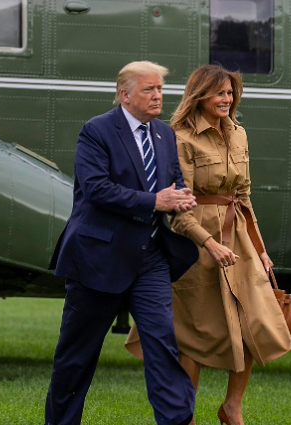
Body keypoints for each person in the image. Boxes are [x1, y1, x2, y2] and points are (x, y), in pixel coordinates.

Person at [125, 64, 291, 425]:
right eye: (219, 93)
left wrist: (260, 247)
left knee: (256, 325)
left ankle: (232, 407)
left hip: (241, 240)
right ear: (200, 96)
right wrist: (207, 243)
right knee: (195, 335)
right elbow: (177, 206)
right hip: (196, 241)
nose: (226, 99)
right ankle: (183, 415)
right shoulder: (179, 138)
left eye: (230, 93)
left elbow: (244, 196)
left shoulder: (240, 134)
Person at [46, 61, 198, 425]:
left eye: (160, 89)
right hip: (98, 257)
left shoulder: (165, 134)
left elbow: (172, 180)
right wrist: (155, 201)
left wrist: (179, 196)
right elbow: (96, 188)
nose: (158, 96)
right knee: (77, 357)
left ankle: (177, 421)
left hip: (150, 259)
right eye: (149, 89)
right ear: (124, 94)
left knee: (162, 345)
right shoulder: (96, 131)